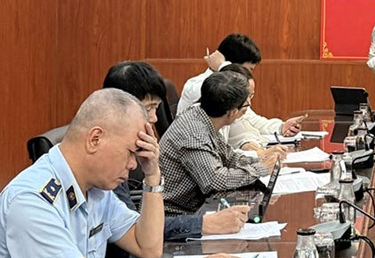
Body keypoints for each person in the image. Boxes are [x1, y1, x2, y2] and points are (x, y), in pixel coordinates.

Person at [0, 89, 245, 258]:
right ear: (95, 139)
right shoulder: (31, 199)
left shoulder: (96, 190)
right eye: (131, 152)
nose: (132, 164)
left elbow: (148, 247)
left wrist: (153, 175)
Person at [102, 61, 253, 242]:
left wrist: (152, 175)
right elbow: (135, 232)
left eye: (156, 108)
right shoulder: (106, 160)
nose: (154, 118)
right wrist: (205, 224)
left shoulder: (132, 152)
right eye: (148, 108)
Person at [161, 71, 275, 216]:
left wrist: (260, 160)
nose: (249, 106)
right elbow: (216, 180)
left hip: (201, 204)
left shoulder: (203, 115)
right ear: (233, 112)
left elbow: (228, 158)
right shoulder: (195, 134)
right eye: (247, 104)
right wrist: (261, 169)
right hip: (177, 216)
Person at [177, 33, 305, 136]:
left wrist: (281, 127)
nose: (248, 76)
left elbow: (250, 119)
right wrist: (224, 66)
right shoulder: (197, 86)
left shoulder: (235, 94)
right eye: (248, 70)